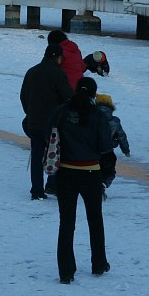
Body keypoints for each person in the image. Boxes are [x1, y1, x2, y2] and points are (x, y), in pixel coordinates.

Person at [47, 77, 112, 284]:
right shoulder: (98, 115)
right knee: (95, 219)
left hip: (65, 172)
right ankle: (99, 263)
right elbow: (105, 146)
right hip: (91, 172)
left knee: (66, 223)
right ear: (94, 94)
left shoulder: (61, 111)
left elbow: (48, 134)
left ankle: (66, 272)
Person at [20, 44, 73, 200]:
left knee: (36, 157)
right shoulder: (58, 74)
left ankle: (36, 191)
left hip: (34, 122)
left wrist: (30, 113)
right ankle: (52, 184)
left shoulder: (32, 71)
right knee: (57, 154)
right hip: (53, 123)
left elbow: (24, 96)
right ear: (57, 57)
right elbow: (68, 97)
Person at [94, 93, 130, 199]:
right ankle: (103, 184)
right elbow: (121, 137)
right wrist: (126, 150)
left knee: (92, 170)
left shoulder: (90, 117)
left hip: (92, 151)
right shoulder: (114, 121)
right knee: (109, 172)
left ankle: (92, 186)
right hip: (107, 152)